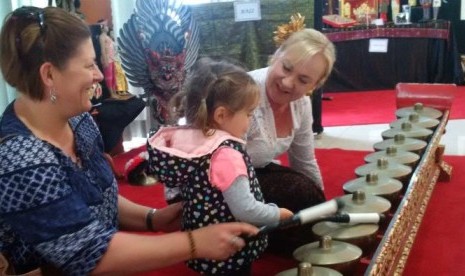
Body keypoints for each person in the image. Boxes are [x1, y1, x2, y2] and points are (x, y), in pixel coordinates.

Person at [0, 6, 259, 275]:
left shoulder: (80, 122)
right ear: (49, 75)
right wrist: (193, 243)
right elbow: (88, 255)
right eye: (90, 65)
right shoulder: (22, 161)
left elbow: (101, 199)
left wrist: (152, 218)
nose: (100, 74)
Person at [146, 57, 294, 275]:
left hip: (201, 240)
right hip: (228, 246)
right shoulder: (226, 154)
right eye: (249, 113)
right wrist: (277, 214)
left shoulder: (191, 140)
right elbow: (246, 209)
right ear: (222, 115)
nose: (251, 121)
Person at [246, 28, 336, 255]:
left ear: (314, 85)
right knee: (298, 193)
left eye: (303, 80)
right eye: (286, 67)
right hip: (212, 184)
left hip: (251, 173)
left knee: (307, 194)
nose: (287, 82)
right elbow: (214, 164)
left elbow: (304, 162)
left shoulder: (302, 105)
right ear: (276, 55)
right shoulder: (244, 92)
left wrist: (322, 205)